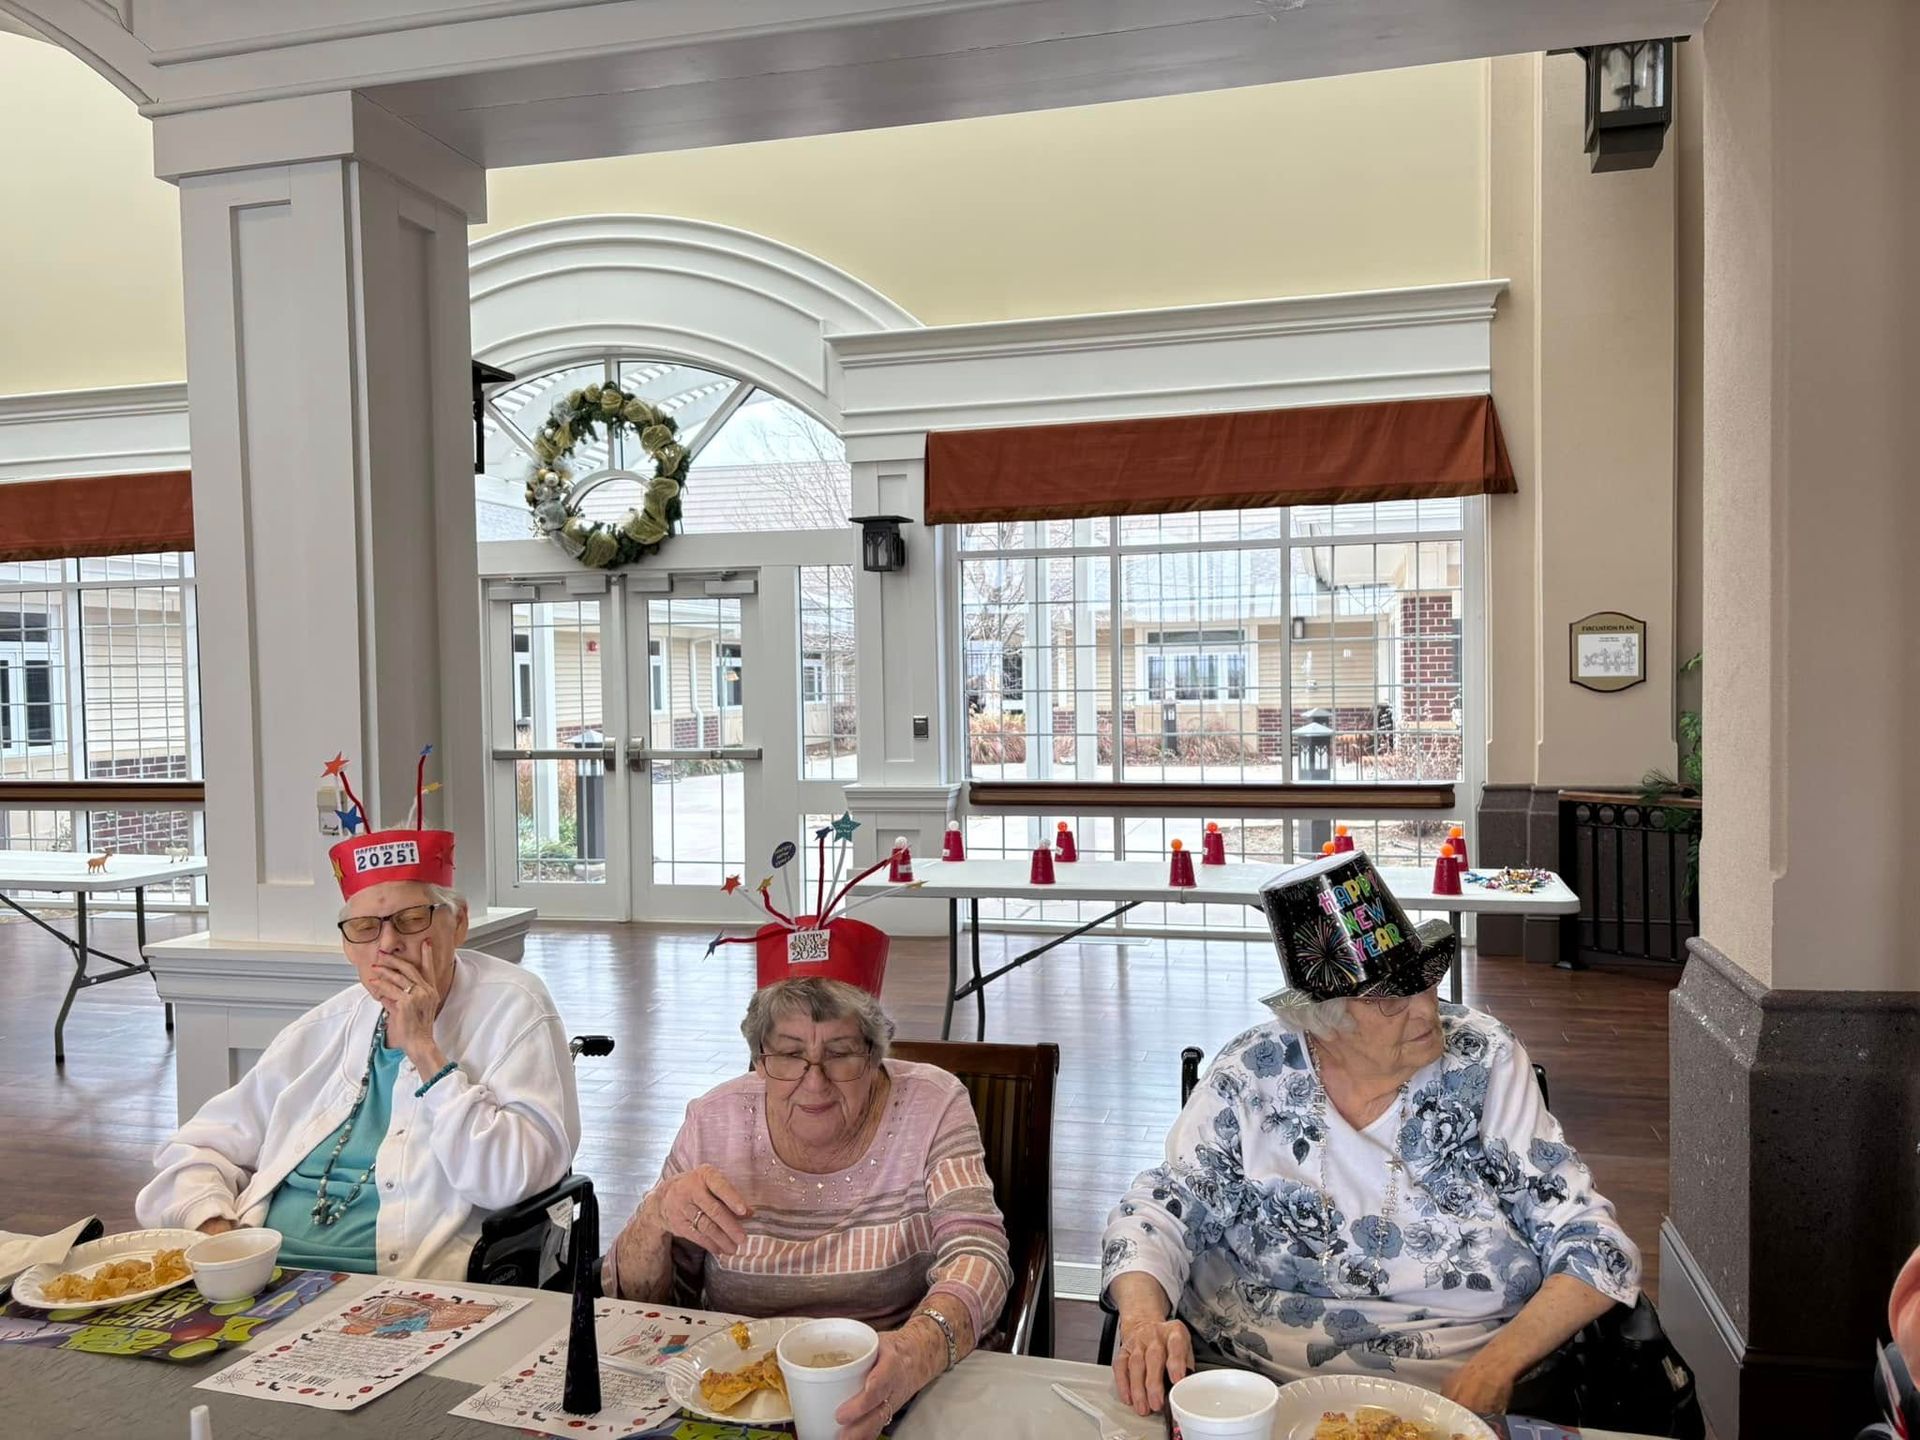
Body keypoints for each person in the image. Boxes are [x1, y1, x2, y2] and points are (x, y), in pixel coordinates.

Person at [1104, 851, 1639, 1417]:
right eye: (1390, 999)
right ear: (1322, 1021)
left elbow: (1593, 1241)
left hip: (1452, 1389)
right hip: (1250, 1390)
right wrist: (1142, 1323)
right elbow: (1157, 1212)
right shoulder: (1252, 1073)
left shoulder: (1482, 1061)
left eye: (1426, 982)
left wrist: (1497, 1365)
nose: (1427, 1010)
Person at [136, 754, 579, 1279]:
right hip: (266, 1276)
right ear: (348, 946)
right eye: (366, 928)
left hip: (400, 1289)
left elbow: (508, 1180)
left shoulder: (515, 1007)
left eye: (411, 919)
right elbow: (194, 1149)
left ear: (457, 923)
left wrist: (425, 1051)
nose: (388, 944)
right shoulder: (325, 1027)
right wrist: (218, 1232)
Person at [606, 919, 1010, 1440]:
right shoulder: (713, 1121)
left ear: (875, 1052)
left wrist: (915, 1353)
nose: (813, 1081)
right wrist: (655, 1216)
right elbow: (647, 1307)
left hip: (893, 1390)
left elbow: (978, 1253)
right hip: (735, 1404)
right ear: (759, 1056)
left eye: (839, 1052)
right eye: (790, 1053)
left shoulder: (932, 1104)